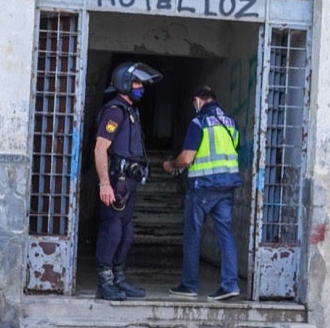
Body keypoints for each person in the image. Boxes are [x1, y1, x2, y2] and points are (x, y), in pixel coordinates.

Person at [163, 85, 242, 301]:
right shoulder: (230, 122)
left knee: (193, 234)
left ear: (198, 100)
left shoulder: (199, 122)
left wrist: (171, 165)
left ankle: (189, 285)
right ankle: (230, 284)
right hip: (227, 186)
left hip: (203, 187)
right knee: (226, 235)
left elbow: (186, 159)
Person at [92, 61, 162, 301]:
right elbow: (100, 148)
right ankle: (105, 282)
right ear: (124, 83)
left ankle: (119, 278)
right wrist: (104, 184)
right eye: (136, 83)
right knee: (112, 230)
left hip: (128, 181)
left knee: (126, 232)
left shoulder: (130, 111)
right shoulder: (115, 111)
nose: (140, 87)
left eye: (141, 83)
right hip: (115, 180)